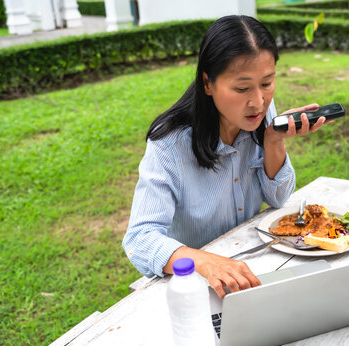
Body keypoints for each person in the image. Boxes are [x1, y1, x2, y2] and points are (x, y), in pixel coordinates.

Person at [123, 15, 330, 298]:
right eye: (242, 88)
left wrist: (273, 141)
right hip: (189, 288)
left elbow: (279, 199)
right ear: (208, 83)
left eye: (267, 83)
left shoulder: (260, 116)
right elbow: (139, 239)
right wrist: (205, 262)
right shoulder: (169, 144)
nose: (257, 101)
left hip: (249, 268)